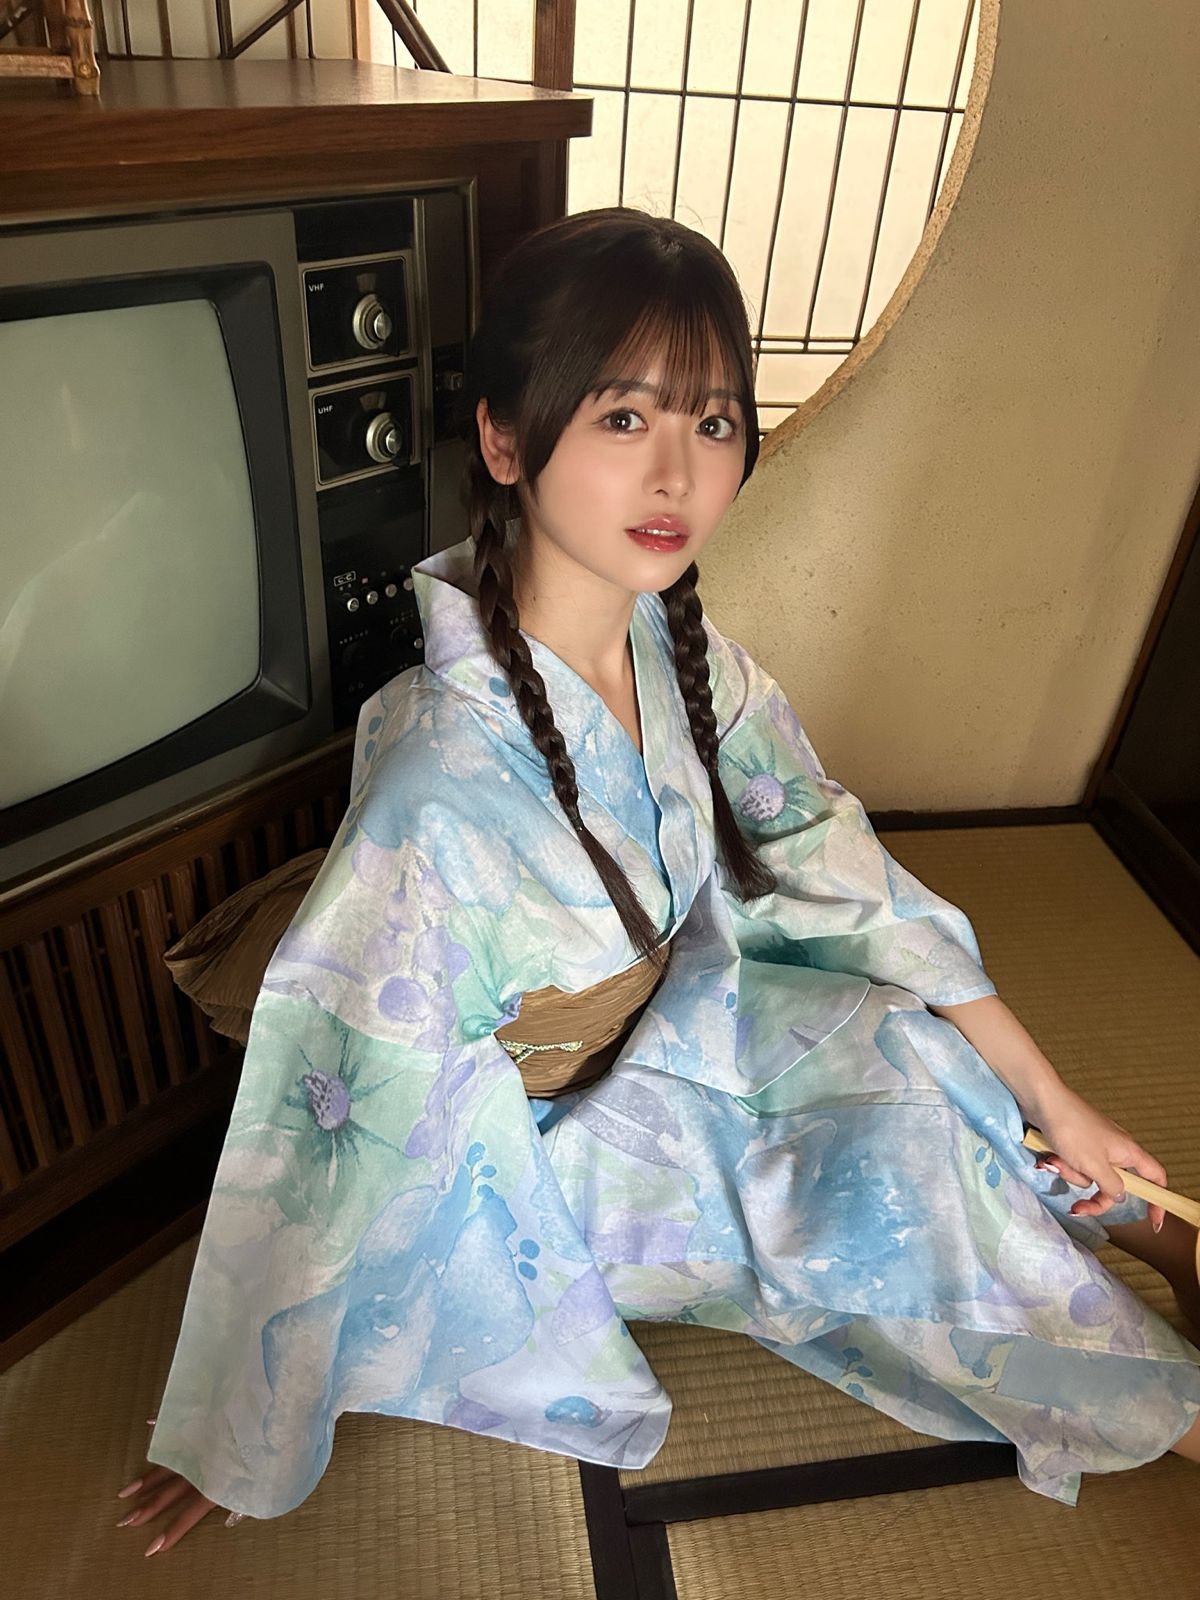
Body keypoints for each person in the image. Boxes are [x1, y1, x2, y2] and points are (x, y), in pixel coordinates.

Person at [115, 207, 1200, 1556]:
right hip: (559, 1156)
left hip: (691, 1025)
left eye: (716, 421)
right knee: (892, 1202)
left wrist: (1058, 1096)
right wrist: (249, 1417)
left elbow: (844, 876)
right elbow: (351, 1107)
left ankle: (1144, 1225)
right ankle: (1170, 1402)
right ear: (503, 439)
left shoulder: (687, 661)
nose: (678, 472)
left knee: (906, 1047)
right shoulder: (442, 781)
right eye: (623, 418)